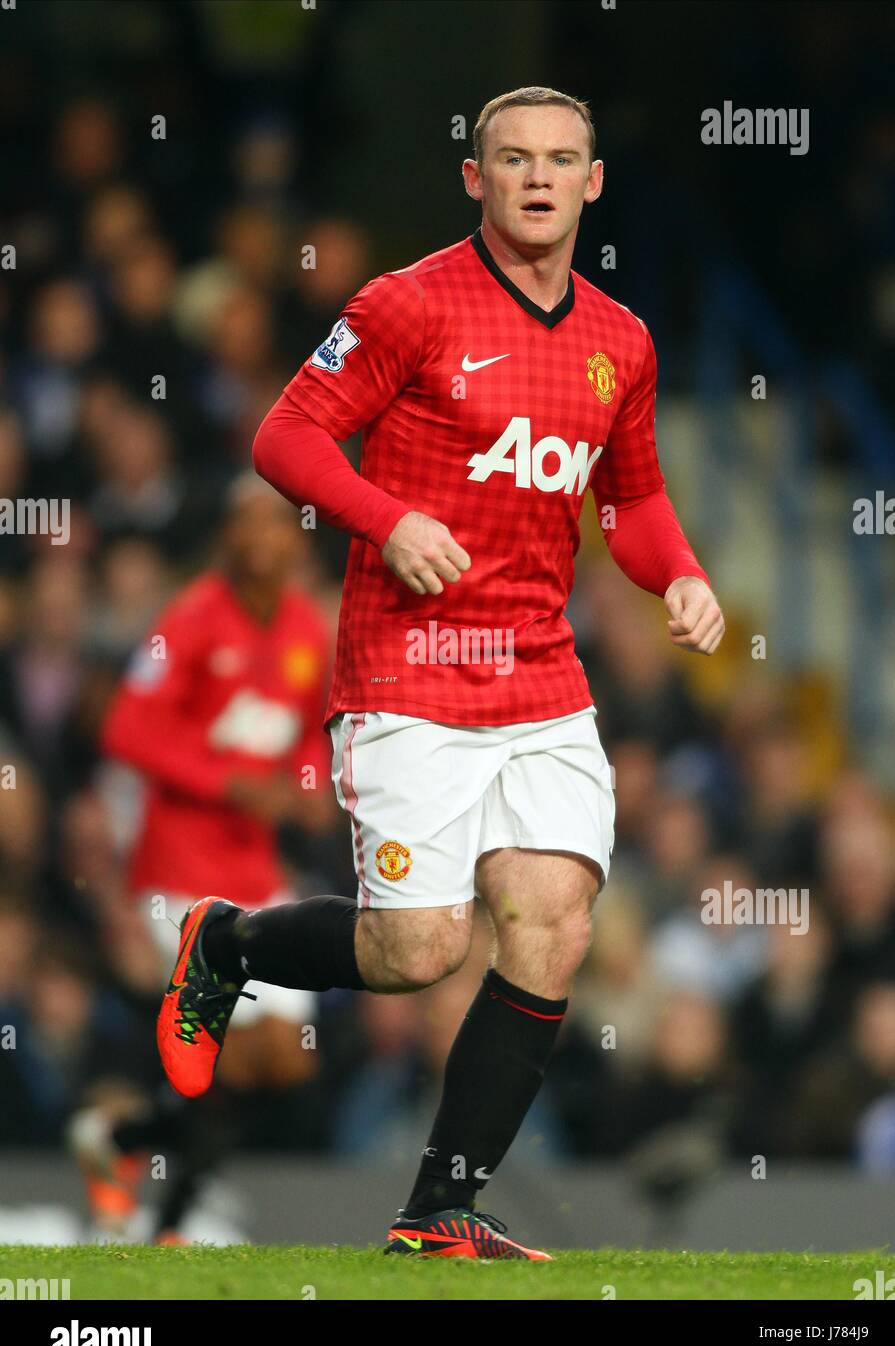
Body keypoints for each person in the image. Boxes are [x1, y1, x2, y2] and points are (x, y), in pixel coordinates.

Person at [156, 86, 723, 1260]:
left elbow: (632, 499)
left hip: (541, 675)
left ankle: (436, 1211)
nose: (536, 177)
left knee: (552, 925)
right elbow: (286, 437)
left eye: (561, 160)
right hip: (407, 668)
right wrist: (387, 518)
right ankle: (227, 945)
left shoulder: (622, 340)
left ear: (591, 182)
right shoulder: (406, 304)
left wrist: (677, 573)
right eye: (512, 158)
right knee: (416, 951)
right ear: (475, 178)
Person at [70, 474, 334, 1241]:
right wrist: (231, 784)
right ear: (227, 537)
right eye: (247, 521)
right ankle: (173, 1227)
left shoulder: (306, 632)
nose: (262, 537)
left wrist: (309, 787)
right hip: (177, 870)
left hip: (255, 872)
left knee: (283, 1061)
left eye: (277, 522)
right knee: (227, 1058)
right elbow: (125, 729)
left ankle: (116, 1141)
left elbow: (314, 735)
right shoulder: (187, 621)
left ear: (297, 539)